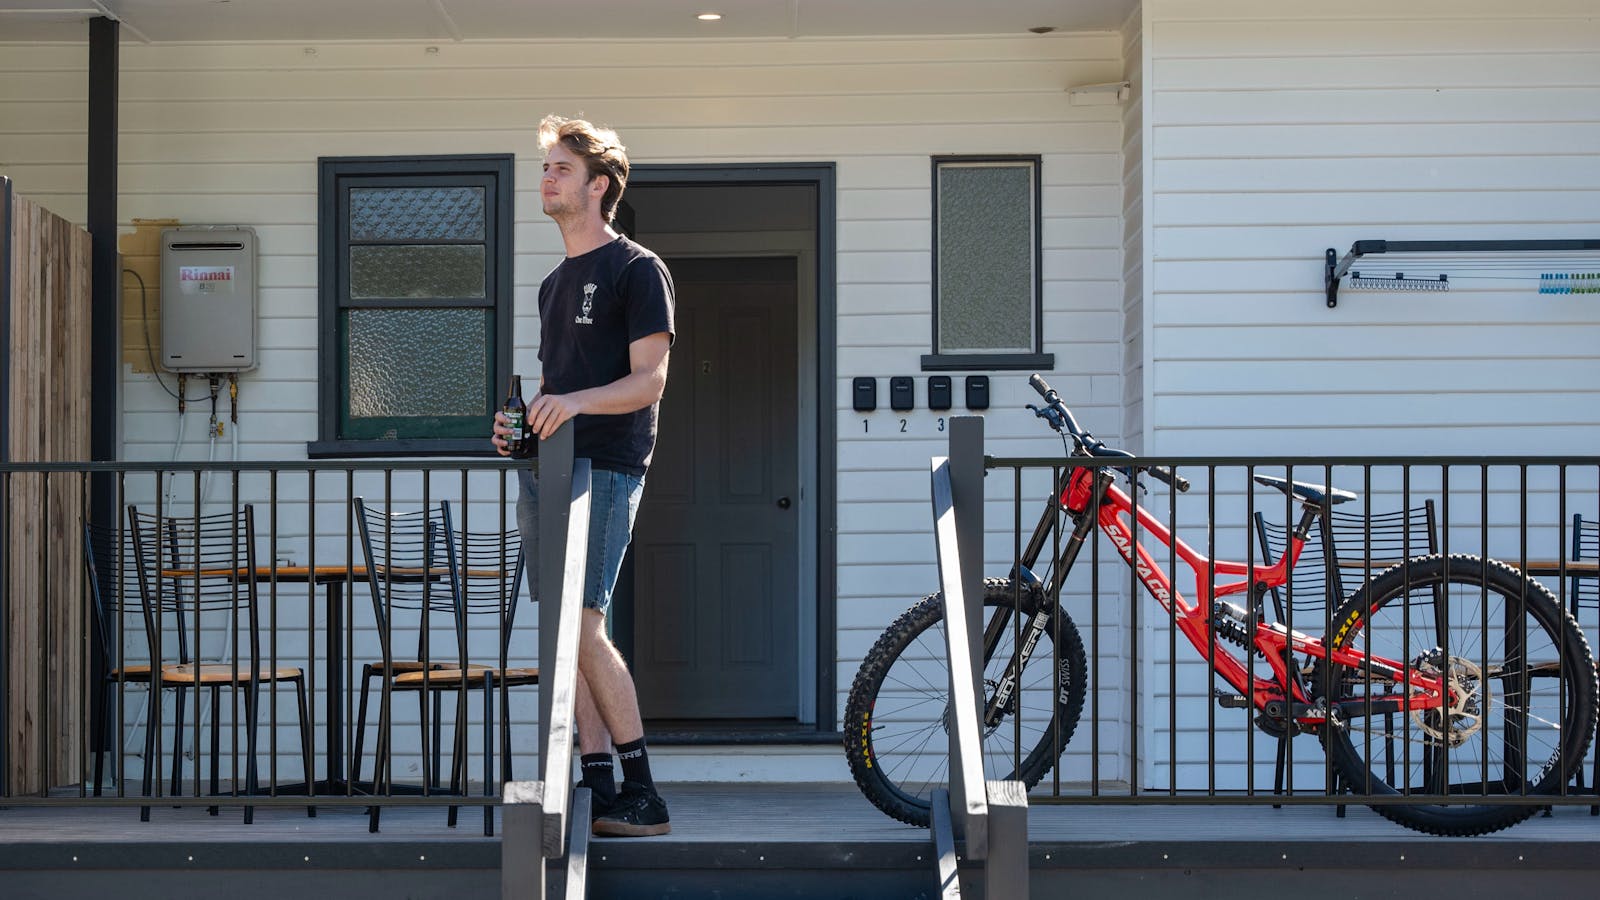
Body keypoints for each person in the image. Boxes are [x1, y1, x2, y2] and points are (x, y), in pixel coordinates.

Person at [492, 115, 674, 837]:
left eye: (561, 168)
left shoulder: (636, 268)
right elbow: (552, 387)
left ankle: (645, 790)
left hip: (607, 468)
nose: (547, 177)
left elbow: (648, 381)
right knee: (562, 631)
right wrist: (520, 428)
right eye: (545, 167)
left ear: (599, 186)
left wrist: (569, 404)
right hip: (551, 471)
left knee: (585, 622)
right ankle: (600, 788)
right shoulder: (551, 286)